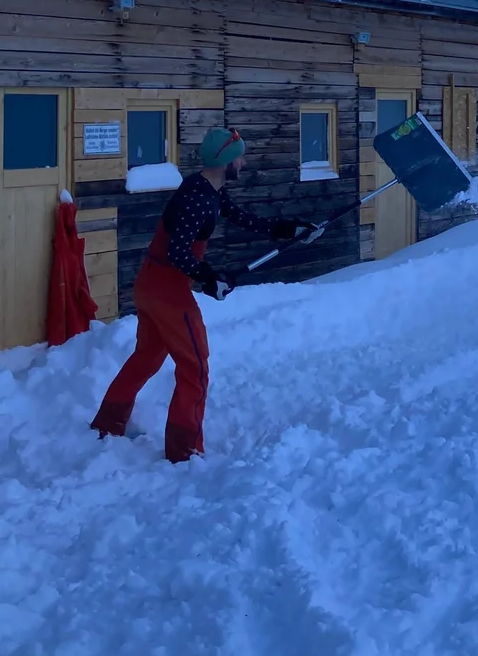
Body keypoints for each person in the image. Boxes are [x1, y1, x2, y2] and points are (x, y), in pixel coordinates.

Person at [91, 127, 316, 462]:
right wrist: (209, 279)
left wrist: (290, 229)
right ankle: (184, 451)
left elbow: (244, 219)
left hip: (151, 285)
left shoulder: (208, 190)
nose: (243, 162)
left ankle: (107, 424)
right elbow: (178, 253)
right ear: (226, 160)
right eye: (239, 157)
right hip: (167, 291)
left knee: (147, 357)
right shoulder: (197, 200)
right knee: (194, 367)